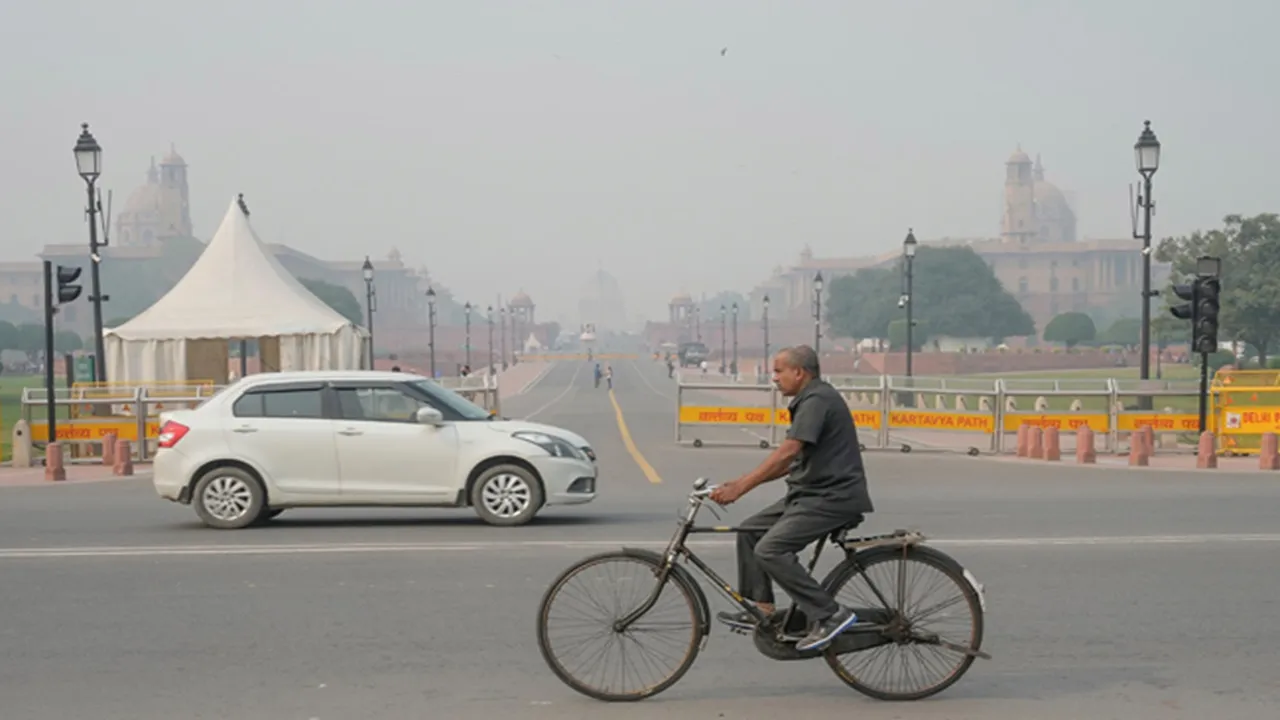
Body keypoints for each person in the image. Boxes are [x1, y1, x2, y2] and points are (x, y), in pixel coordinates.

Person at [709, 345, 874, 652]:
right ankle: (763, 609)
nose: (774, 378)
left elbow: (789, 450)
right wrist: (740, 482)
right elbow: (788, 464)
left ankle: (830, 615)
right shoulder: (809, 400)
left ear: (799, 372)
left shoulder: (816, 400)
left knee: (771, 550)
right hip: (808, 494)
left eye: (778, 371)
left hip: (832, 497)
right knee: (750, 531)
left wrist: (741, 488)